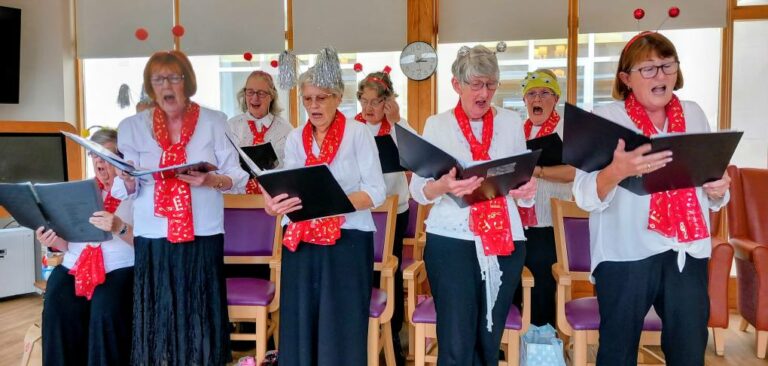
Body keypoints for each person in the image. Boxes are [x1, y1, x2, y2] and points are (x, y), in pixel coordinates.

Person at [572, 31, 731, 366]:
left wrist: (718, 190)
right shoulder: (605, 118)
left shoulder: (694, 113)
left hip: (686, 250)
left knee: (689, 352)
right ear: (625, 78)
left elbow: (710, 185)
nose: (660, 75)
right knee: (617, 352)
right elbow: (583, 195)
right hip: (625, 252)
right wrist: (616, 171)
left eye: (666, 65)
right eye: (648, 68)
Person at [112, 50, 249, 366]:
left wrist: (212, 179)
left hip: (202, 231)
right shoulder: (131, 126)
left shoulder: (215, 121)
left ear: (188, 82)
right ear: (150, 86)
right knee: (159, 315)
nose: (166, 85)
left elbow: (238, 176)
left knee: (198, 314)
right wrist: (126, 177)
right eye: (158, 79)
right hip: (153, 233)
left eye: (174, 77)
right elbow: (127, 189)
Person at [408, 45, 537, 365]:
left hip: (504, 239)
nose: (485, 93)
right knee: (455, 336)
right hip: (452, 238)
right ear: (456, 84)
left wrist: (527, 189)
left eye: (491, 85)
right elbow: (417, 190)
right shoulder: (438, 124)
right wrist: (443, 185)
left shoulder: (510, 122)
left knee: (489, 338)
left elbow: (521, 181)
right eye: (476, 84)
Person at [262, 48, 386, 366]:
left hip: (348, 239)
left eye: (322, 98)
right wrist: (276, 202)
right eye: (307, 99)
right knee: (300, 321)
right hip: (302, 240)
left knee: (341, 323)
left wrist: (331, 202)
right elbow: (292, 188)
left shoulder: (358, 133)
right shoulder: (294, 138)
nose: (314, 106)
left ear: (337, 97)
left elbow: (376, 192)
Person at [38, 128, 135, 366]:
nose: (99, 161)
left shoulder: (137, 192)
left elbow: (147, 245)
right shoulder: (79, 191)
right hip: (75, 265)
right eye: (94, 155)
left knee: (105, 311)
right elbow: (68, 242)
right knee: (57, 306)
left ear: (121, 158)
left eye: (106, 155)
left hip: (119, 268)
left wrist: (119, 227)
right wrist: (53, 241)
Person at [355, 69, 410, 365]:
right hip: (362, 212)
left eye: (375, 102)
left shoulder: (398, 127)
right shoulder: (352, 128)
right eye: (364, 101)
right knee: (363, 269)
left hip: (394, 211)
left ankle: (392, 332)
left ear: (388, 102)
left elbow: (416, 156)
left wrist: (399, 119)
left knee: (391, 269)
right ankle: (363, 327)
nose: (369, 108)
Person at [513, 69, 574, 327]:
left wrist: (537, 170)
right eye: (531, 94)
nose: (537, 99)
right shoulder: (517, 130)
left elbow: (574, 171)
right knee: (513, 281)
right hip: (516, 220)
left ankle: (541, 339)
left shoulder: (567, 128)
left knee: (541, 283)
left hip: (549, 221)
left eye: (545, 93)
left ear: (556, 98)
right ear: (525, 100)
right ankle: (513, 339)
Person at [227, 70, 292, 193]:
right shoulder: (231, 126)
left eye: (261, 93)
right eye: (250, 92)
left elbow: (291, 169)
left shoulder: (286, 129)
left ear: (271, 96)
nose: (255, 98)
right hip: (238, 200)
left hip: (274, 200)